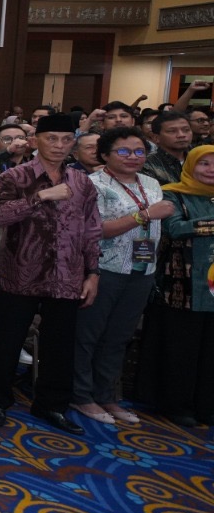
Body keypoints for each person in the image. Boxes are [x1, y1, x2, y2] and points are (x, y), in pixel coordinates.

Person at [0, 115, 101, 433]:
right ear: (36, 141)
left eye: (66, 139)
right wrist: (40, 197)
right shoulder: (15, 177)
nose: (59, 145)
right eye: (52, 138)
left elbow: (92, 230)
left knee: (60, 346)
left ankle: (52, 405)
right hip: (21, 273)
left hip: (67, 275)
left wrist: (92, 272)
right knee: (8, 342)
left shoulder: (82, 182)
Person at [72, 126, 170, 426]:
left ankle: (106, 395)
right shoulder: (93, 184)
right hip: (103, 269)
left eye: (139, 151)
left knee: (118, 337)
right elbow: (94, 230)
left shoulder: (151, 182)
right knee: (88, 335)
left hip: (142, 269)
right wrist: (144, 215)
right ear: (105, 154)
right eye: (124, 151)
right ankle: (80, 395)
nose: (133, 156)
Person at [156, 144, 214, 426]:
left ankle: (207, 405)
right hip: (185, 282)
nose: (211, 170)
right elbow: (175, 228)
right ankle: (178, 405)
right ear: (190, 166)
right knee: (183, 347)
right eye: (204, 163)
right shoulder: (173, 193)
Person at [145, 111, 193, 186]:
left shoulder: (199, 159)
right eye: (172, 131)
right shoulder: (148, 165)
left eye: (186, 130)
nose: (181, 135)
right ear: (156, 137)